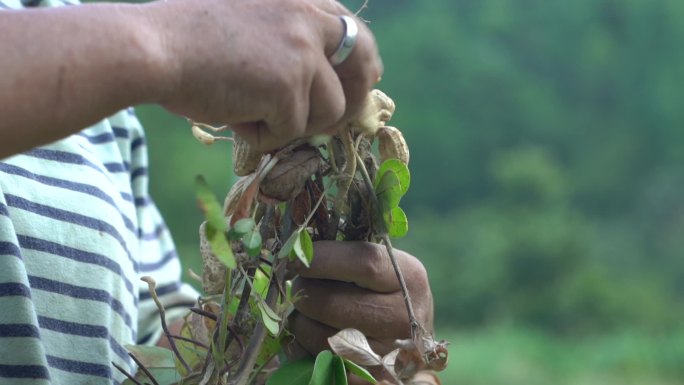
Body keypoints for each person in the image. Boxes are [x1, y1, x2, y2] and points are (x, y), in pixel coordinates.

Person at [0, 0, 435, 384]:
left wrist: (292, 351)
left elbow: (140, 357)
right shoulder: (103, 45)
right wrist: (168, 41)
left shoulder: (95, 88)